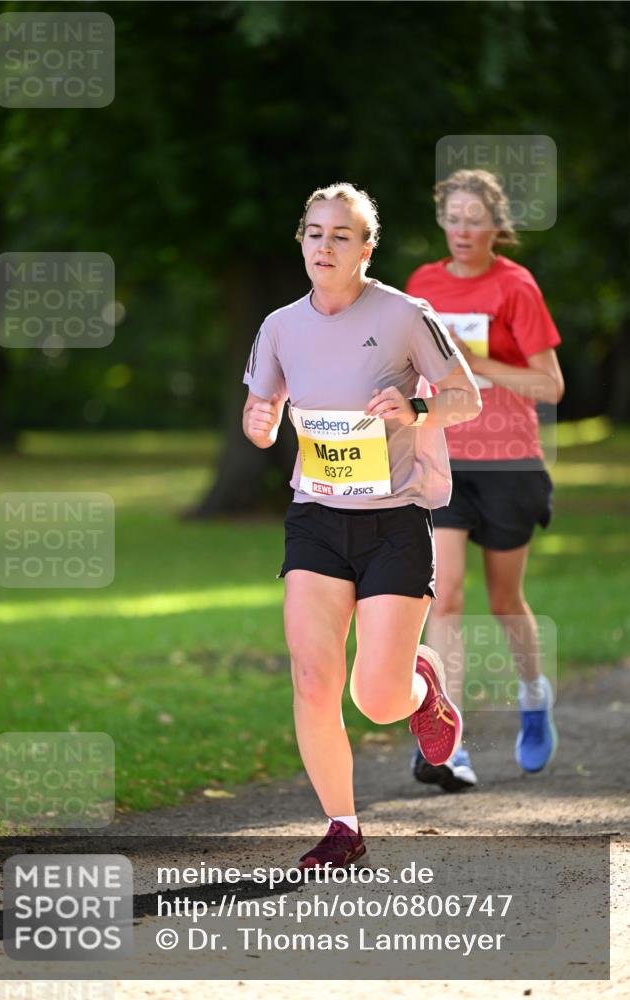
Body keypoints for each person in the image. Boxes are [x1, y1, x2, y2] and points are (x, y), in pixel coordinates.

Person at [242, 182, 481, 868]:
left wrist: (417, 409)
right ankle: (341, 828)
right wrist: (258, 425)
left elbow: (463, 396)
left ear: (364, 249)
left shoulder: (406, 315)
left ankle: (419, 685)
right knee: (314, 679)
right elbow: (259, 413)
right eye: (314, 232)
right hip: (315, 516)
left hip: (394, 520)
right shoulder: (280, 325)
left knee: (376, 700)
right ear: (302, 241)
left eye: (340, 235)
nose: (324, 244)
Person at [405, 168, 565, 793]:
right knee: (443, 598)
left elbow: (551, 385)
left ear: (497, 226)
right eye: (454, 217)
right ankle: (449, 740)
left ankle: (533, 695)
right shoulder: (422, 283)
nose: (464, 229)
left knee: (504, 601)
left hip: (510, 462)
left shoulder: (516, 286)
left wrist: (480, 365)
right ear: (442, 220)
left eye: (477, 219)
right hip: (444, 457)